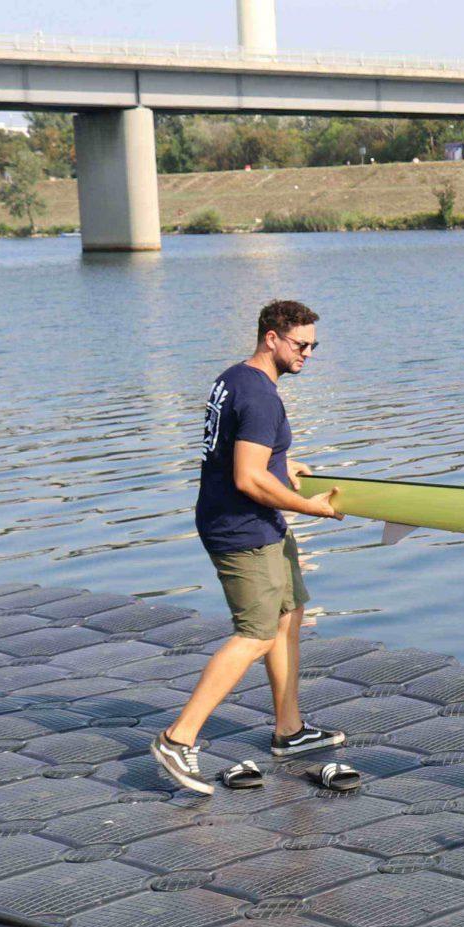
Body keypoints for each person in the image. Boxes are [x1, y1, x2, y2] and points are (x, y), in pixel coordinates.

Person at [150, 299, 347, 794]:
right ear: (271, 338)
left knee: (289, 615)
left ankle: (289, 730)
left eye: (313, 346)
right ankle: (178, 738)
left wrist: (285, 463)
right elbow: (247, 477)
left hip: (257, 523)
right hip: (241, 530)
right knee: (256, 634)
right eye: (301, 345)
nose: (308, 354)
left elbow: (243, 451)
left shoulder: (235, 378)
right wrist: (312, 507)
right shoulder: (260, 396)